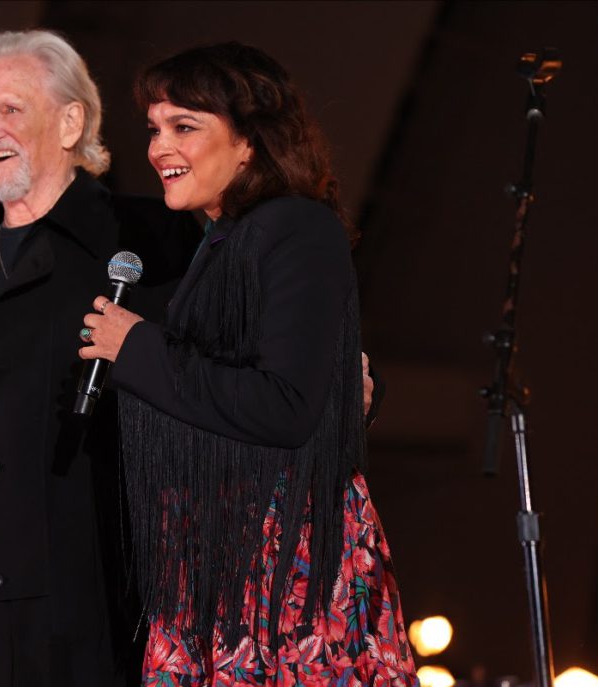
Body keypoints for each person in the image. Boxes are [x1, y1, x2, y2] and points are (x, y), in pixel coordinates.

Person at [79, 43, 419, 686]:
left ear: (249, 142)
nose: (158, 148)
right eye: (154, 129)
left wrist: (138, 347)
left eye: (184, 126)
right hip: (219, 563)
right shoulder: (224, 241)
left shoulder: (294, 228)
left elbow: (284, 405)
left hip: (281, 570)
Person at [0, 30, 202, 687]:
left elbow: (224, 363)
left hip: (109, 605)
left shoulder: (150, 235)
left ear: (71, 122)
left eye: (10, 109)